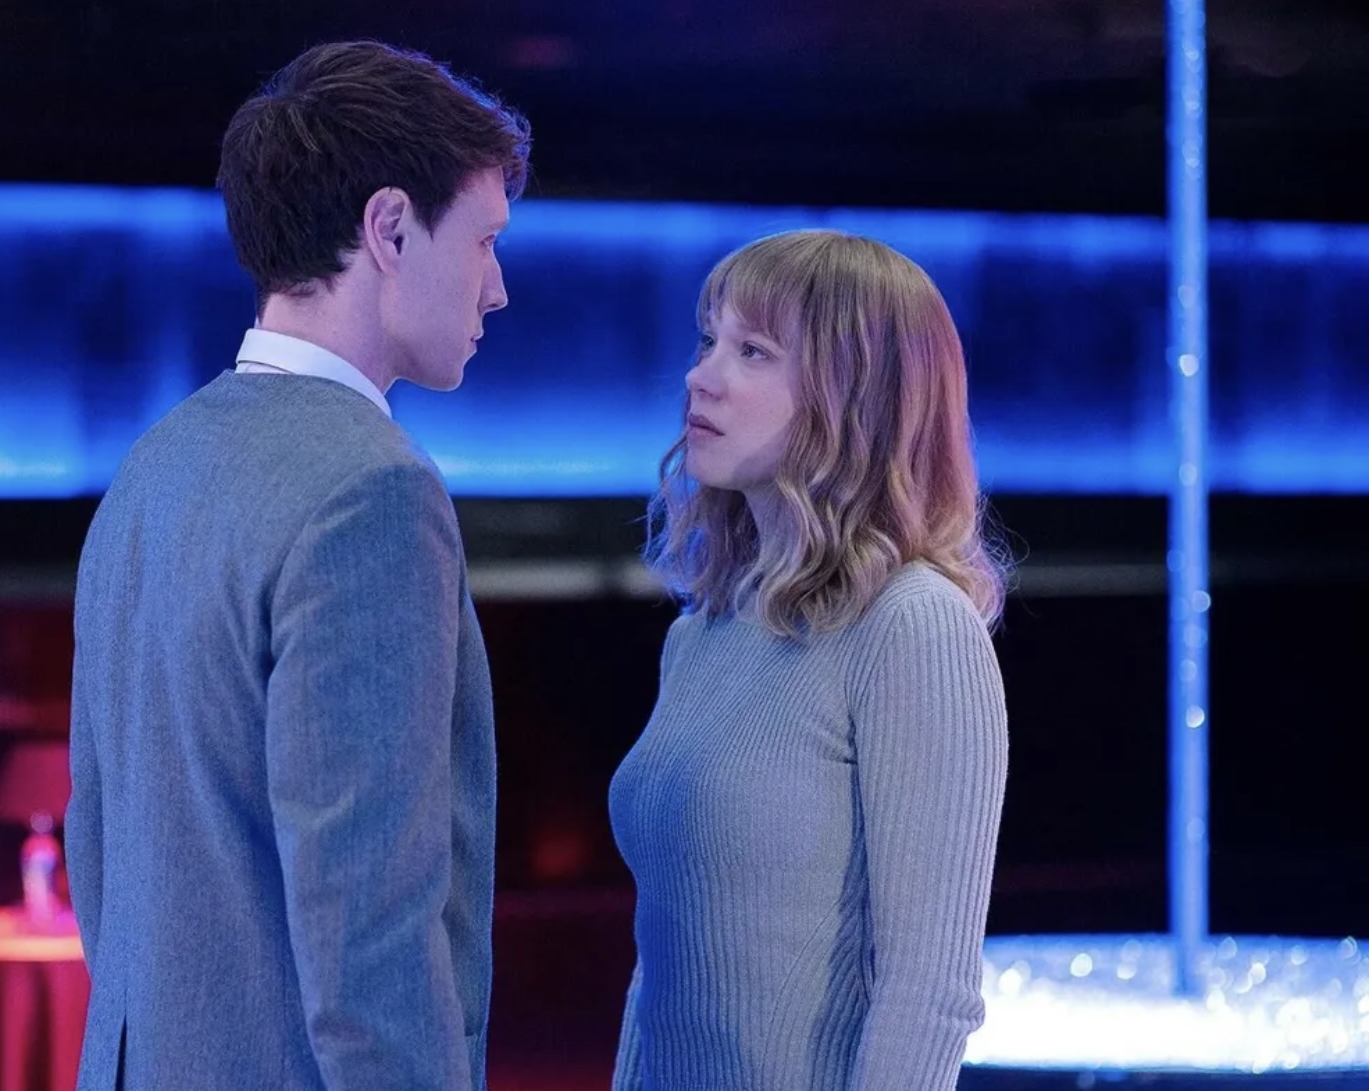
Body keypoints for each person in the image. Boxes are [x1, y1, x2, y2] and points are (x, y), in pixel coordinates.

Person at [65, 40, 530, 1091]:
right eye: (486, 240)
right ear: (390, 228)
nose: (497, 287)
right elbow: (372, 940)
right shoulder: (372, 492)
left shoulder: (155, 462)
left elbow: (100, 854)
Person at [609, 229, 1010, 1089]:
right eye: (708, 340)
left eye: (753, 350)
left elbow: (929, 992)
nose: (701, 375)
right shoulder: (702, 632)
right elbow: (659, 970)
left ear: (854, 396)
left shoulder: (915, 625)